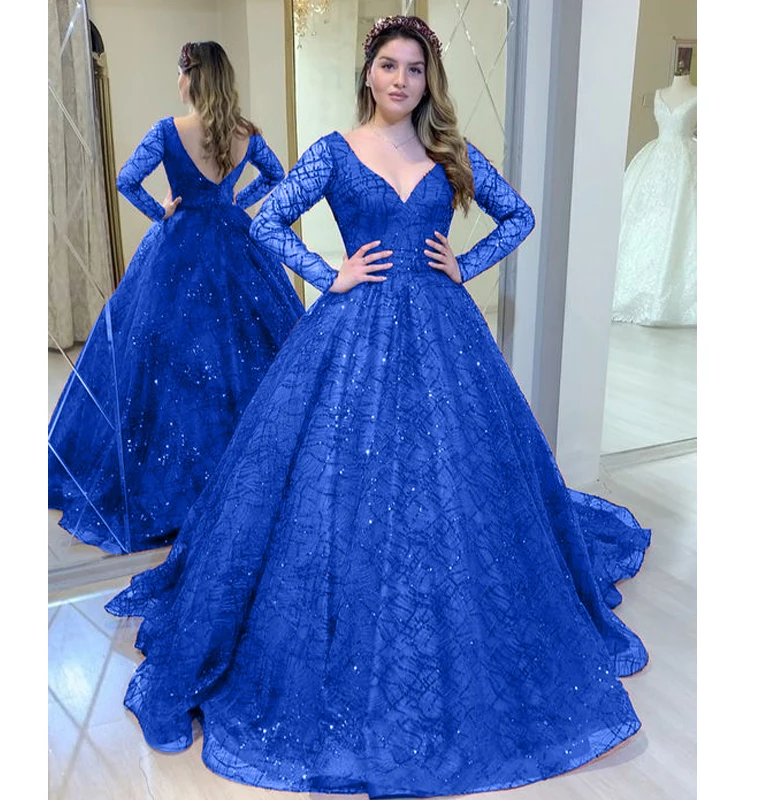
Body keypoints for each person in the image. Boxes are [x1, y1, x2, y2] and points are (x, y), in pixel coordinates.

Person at [106, 17, 650, 795]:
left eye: (415, 69)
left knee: (457, 480)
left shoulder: (448, 151)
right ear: (369, 73)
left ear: (429, 80)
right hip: (351, 331)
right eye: (390, 66)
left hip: (443, 330)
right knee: (332, 481)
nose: (402, 80)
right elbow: (266, 218)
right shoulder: (333, 151)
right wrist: (326, 271)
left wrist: (465, 262)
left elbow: (520, 215)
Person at [48, 41, 304, 554]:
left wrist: (161, 211)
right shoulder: (245, 134)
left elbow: (126, 180)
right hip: (234, 239)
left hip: (178, 242)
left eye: (179, 72)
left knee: (155, 357)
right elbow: (278, 176)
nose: (177, 80)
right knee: (246, 352)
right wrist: (237, 201)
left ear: (190, 78)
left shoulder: (168, 130)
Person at [611, 68, 697, 326]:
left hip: (686, 160)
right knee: (645, 220)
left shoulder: (698, 94)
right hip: (656, 160)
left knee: (682, 219)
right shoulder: (659, 94)